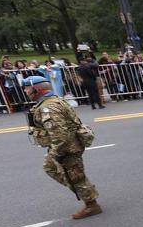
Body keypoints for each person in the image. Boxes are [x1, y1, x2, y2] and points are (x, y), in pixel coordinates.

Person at [23, 76, 102, 219]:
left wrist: (58, 152)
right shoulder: (50, 101)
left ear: (37, 89)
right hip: (62, 145)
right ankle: (83, 190)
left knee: (75, 176)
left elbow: (60, 134)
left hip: (66, 147)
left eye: (27, 87)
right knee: (51, 167)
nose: (25, 90)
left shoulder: (48, 107)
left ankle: (91, 204)